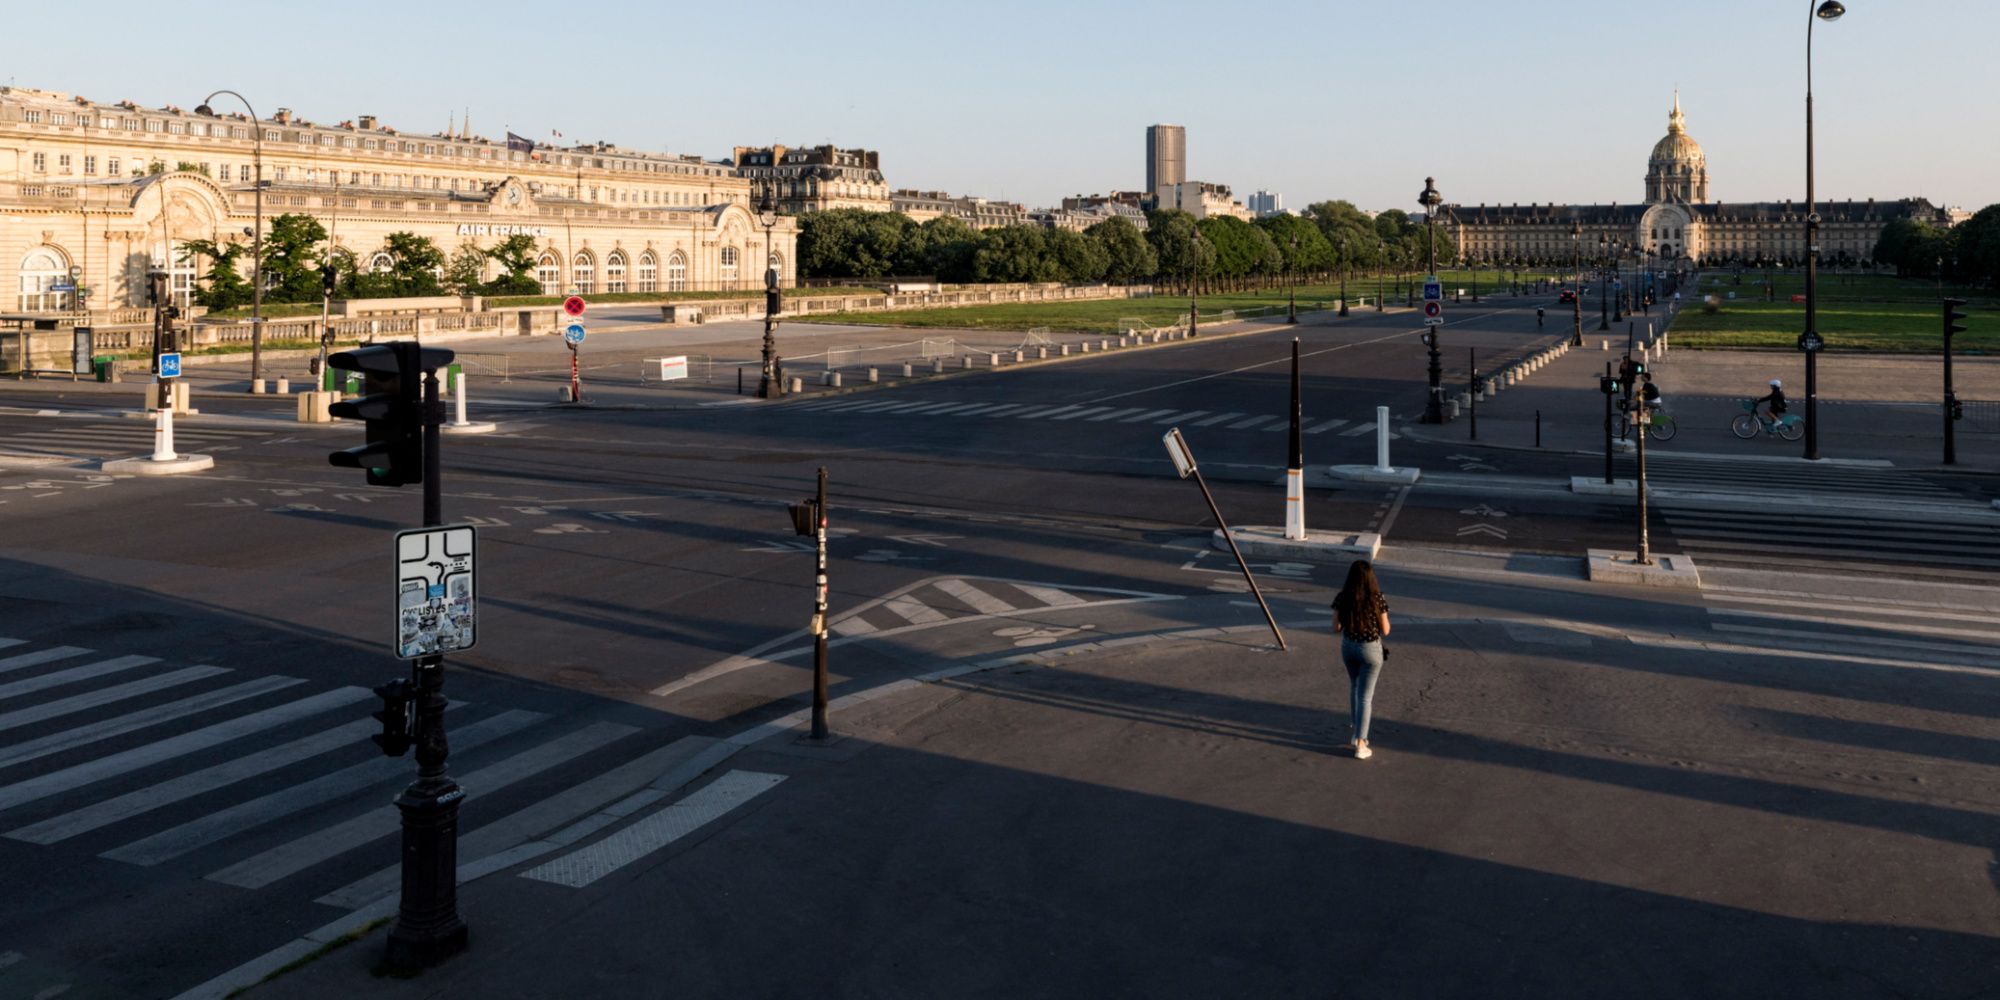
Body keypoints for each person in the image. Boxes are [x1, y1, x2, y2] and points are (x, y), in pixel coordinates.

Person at [1331, 560, 1391, 760]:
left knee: (1354, 686)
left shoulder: (1343, 597)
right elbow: (1386, 630)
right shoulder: (1377, 598)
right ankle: (1361, 743)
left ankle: (1355, 731)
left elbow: (1336, 628)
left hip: (1348, 647)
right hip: (1370, 650)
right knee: (1366, 697)